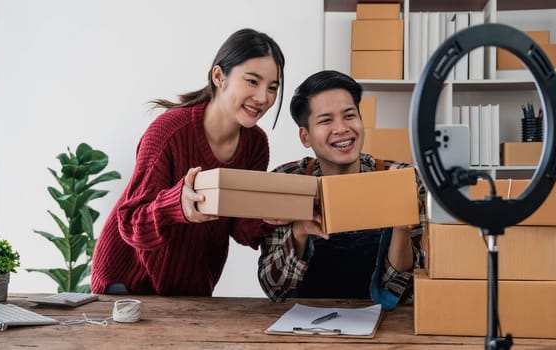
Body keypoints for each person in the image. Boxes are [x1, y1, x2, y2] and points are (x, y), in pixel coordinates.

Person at [91, 28, 285, 296]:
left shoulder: (256, 144)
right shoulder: (168, 132)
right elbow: (131, 222)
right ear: (219, 76)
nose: (263, 98)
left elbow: (239, 225)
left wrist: (269, 217)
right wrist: (175, 205)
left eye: (272, 88)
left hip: (188, 287)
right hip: (127, 282)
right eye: (252, 81)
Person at [258, 70, 425, 310]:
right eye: (326, 120)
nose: (342, 128)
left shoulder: (402, 178)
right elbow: (274, 289)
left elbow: (405, 293)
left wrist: (401, 230)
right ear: (305, 136)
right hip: (304, 328)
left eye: (349, 116)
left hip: (385, 326)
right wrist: (299, 232)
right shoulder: (285, 182)